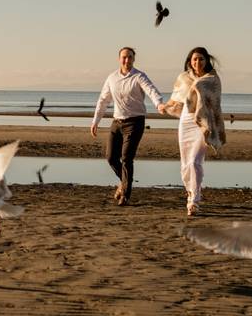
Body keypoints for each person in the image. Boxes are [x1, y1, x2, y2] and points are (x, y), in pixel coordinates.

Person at [91, 47, 164, 206]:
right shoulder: (112, 78)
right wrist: (96, 120)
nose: (127, 60)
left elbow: (151, 90)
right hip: (117, 122)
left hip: (135, 122)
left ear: (133, 59)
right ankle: (123, 182)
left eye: (130, 57)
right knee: (111, 157)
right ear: (119, 59)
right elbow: (103, 100)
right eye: (124, 57)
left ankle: (125, 195)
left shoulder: (139, 76)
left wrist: (159, 104)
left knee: (126, 158)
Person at [159, 47, 226, 216]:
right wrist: (165, 106)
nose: (198, 62)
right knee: (185, 163)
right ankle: (191, 191)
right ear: (190, 61)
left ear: (206, 61)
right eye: (195, 59)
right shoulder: (183, 78)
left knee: (195, 161)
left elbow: (215, 102)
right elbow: (176, 98)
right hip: (186, 121)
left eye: (201, 59)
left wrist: (199, 86)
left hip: (203, 122)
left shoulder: (212, 79)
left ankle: (194, 201)